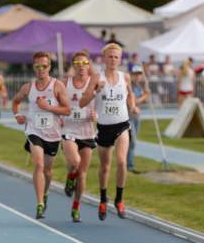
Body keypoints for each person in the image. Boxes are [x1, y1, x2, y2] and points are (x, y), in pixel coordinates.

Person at [80, 43, 139, 220]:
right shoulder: (96, 77)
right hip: (104, 127)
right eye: (110, 56)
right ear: (104, 58)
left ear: (120, 59)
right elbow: (83, 102)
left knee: (121, 162)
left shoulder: (125, 77)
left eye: (116, 57)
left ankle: (119, 200)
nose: (113, 60)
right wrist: (96, 91)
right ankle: (103, 199)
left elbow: (130, 94)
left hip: (122, 124)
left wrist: (133, 106)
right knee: (105, 166)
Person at [12, 52, 70, 219]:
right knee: (38, 164)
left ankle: (45, 194)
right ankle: (39, 203)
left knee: (48, 170)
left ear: (49, 67)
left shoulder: (58, 86)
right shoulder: (27, 88)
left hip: (53, 134)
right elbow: (15, 102)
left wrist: (48, 107)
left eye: (44, 66)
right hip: (34, 131)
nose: (41, 69)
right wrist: (17, 116)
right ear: (34, 68)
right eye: (37, 66)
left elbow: (67, 110)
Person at [61, 51, 97, 222]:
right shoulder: (64, 83)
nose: (81, 67)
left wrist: (96, 115)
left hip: (88, 132)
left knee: (82, 174)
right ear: (73, 66)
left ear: (88, 65)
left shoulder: (94, 84)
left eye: (84, 63)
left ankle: (76, 207)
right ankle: (69, 178)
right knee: (74, 162)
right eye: (78, 64)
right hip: (69, 130)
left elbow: (101, 106)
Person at [127, 65, 150, 174]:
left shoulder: (138, 86)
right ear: (131, 75)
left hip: (136, 118)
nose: (137, 76)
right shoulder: (129, 86)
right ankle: (129, 167)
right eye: (135, 74)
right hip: (129, 118)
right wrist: (143, 97)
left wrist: (145, 96)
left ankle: (129, 165)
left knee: (132, 143)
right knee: (132, 142)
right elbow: (133, 100)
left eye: (139, 74)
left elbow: (143, 98)